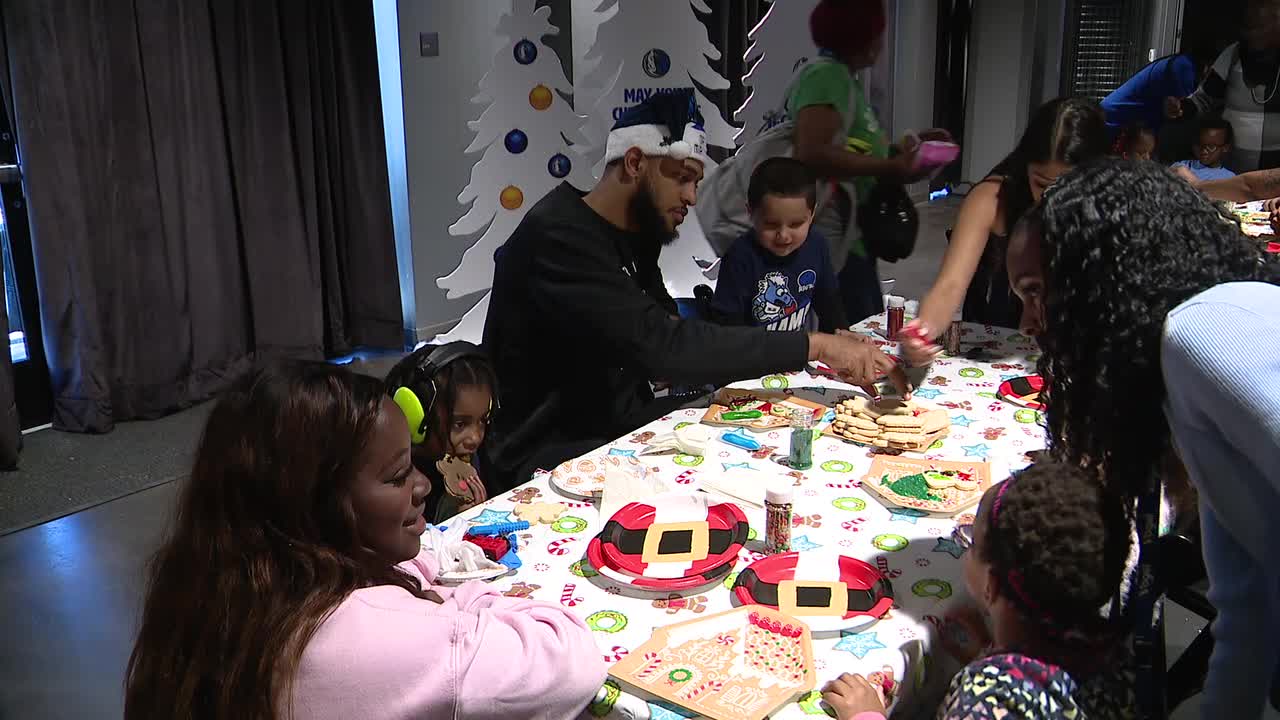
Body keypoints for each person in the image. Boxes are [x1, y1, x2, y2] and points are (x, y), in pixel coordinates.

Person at [123, 361, 607, 720]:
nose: (422, 484)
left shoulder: (216, 592)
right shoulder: (372, 635)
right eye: (398, 475)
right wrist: (467, 596)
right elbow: (569, 660)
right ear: (320, 504)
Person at [483, 91, 908, 489]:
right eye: (683, 178)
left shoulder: (632, 234)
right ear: (635, 162)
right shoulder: (559, 237)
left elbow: (665, 333)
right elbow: (664, 346)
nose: (691, 196)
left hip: (613, 423)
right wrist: (815, 345)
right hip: (547, 453)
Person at [1007, 158, 1280, 720]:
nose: (1028, 323)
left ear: (1098, 272)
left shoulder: (1204, 329)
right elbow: (1245, 598)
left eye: (1035, 291)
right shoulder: (1178, 378)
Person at [820, 461, 1135, 720]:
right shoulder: (1117, 655)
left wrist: (867, 716)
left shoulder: (987, 698)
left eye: (970, 541)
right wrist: (985, 654)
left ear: (992, 584)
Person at [901, 97, 1106, 361]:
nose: (1053, 200)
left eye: (1070, 186)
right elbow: (949, 286)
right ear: (1024, 167)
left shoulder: (1107, 209)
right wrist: (922, 333)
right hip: (994, 345)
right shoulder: (991, 200)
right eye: (1042, 185)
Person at [788, 0, 949, 322]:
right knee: (855, 335)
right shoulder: (826, 76)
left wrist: (909, 150)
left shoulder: (845, 80)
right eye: (877, 31)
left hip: (852, 239)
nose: (881, 40)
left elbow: (853, 149)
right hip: (833, 239)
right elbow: (813, 153)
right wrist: (892, 166)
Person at [709, 157, 848, 332]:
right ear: (750, 213)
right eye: (771, 224)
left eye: (796, 224)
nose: (783, 236)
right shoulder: (740, 256)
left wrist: (843, 334)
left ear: (812, 214)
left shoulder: (816, 245)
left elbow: (829, 303)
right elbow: (727, 326)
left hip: (797, 353)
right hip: (751, 356)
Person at [384, 341, 500, 517]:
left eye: (483, 420)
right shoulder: (399, 481)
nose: (475, 438)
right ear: (416, 416)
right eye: (459, 424)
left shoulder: (475, 457)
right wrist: (456, 522)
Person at [1166, 0, 1280, 172]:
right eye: (1248, 26)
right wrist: (1181, 108)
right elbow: (1202, 100)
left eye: (1259, 26)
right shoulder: (1233, 54)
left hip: (1273, 178)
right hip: (1229, 174)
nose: (1251, 34)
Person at [1102, 48, 1211, 136]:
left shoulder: (1180, 64)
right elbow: (1176, 109)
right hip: (1115, 118)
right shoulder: (1184, 68)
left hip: (1121, 119)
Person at [1170, 114, 1236, 180]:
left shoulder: (1229, 178)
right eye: (1199, 144)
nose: (1204, 151)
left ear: (1225, 148)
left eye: (1211, 147)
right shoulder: (1181, 166)